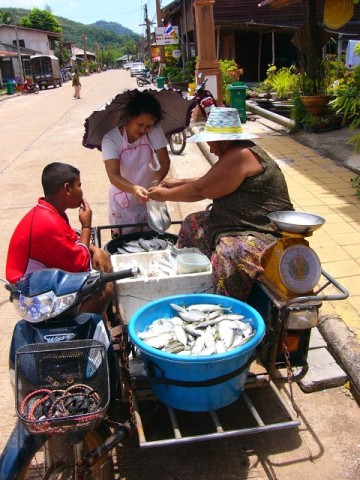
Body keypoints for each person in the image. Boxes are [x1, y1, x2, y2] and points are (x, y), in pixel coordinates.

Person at [148, 107, 294, 301]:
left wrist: (164, 195)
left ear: (223, 141)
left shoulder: (241, 155)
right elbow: (212, 179)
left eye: (212, 144)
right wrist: (179, 182)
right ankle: (193, 278)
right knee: (193, 223)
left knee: (231, 253)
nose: (210, 149)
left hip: (259, 229)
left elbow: (201, 190)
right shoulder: (236, 153)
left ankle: (224, 304)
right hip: (233, 222)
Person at [6, 162, 113, 315]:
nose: (81, 190)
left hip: (38, 283)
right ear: (67, 188)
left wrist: (95, 249)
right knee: (104, 288)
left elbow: (73, 243)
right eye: (79, 185)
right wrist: (87, 227)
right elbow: (79, 264)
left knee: (98, 270)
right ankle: (78, 331)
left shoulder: (49, 212)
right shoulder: (48, 222)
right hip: (30, 296)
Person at [101, 90, 171, 234]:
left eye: (148, 126)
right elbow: (113, 175)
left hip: (150, 197)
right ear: (130, 117)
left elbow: (164, 161)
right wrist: (134, 189)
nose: (144, 130)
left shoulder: (154, 130)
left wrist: (156, 182)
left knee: (152, 238)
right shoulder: (111, 140)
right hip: (123, 202)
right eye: (140, 124)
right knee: (124, 244)